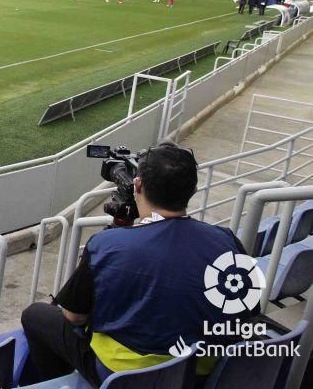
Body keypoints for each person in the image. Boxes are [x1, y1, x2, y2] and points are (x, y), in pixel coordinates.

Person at [20, 141, 257, 386]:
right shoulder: (226, 241)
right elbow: (248, 311)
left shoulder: (106, 245)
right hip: (198, 375)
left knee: (35, 315)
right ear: (193, 190)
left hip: (122, 377)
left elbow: (73, 317)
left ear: (138, 185)